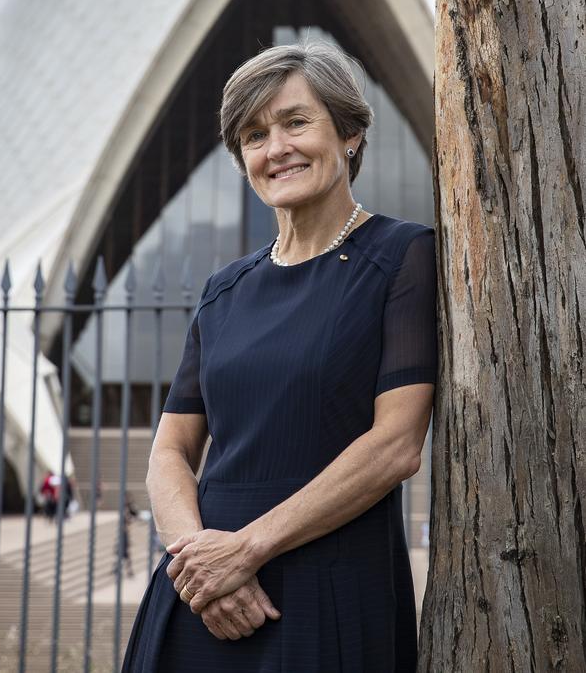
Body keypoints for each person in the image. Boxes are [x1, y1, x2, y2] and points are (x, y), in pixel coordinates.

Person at [122, 41, 438, 672]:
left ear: (349, 134)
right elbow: (170, 450)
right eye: (254, 135)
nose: (276, 148)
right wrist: (201, 564)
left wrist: (248, 550)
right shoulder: (225, 289)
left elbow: (396, 445)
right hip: (204, 592)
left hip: (328, 579)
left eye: (297, 122)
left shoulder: (402, 257)